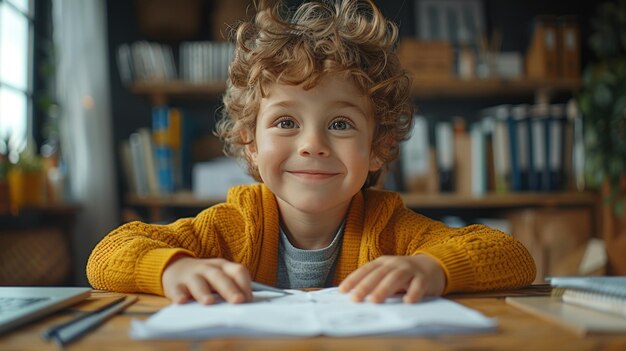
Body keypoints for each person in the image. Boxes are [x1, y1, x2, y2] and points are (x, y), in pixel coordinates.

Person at [87, 0, 535, 305]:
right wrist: (172, 271)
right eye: (285, 122)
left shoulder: (393, 231)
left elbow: (513, 256)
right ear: (250, 143)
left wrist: (433, 268)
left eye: (340, 124)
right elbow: (108, 255)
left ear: (378, 147)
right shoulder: (228, 228)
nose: (313, 144)